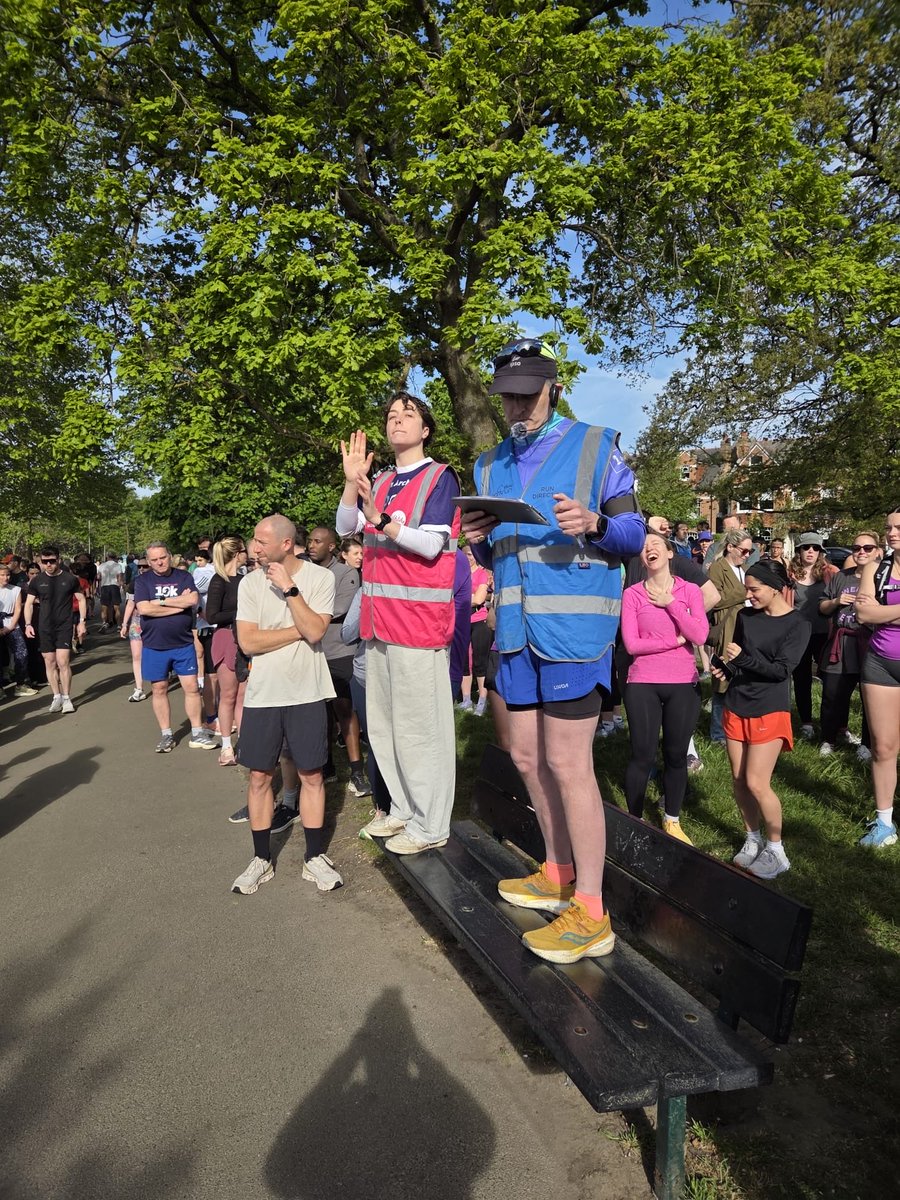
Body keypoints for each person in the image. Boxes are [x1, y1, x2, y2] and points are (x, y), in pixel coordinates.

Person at [461, 338, 644, 964]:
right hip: (514, 632)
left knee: (569, 765)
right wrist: (476, 540)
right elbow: (494, 556)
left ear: (554, 387)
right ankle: (558, 868)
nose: (516, 406)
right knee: (524, 755)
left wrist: (595, 523)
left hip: (574, 634)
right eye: (507, 395)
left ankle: (591, 911)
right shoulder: (487, 466)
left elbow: (633, 535)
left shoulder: (598, 446)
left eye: (527, 393)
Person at [337, 392, 461, 854]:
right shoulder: (383, 477)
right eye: (391, 416)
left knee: (420, 729)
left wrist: (380, 519)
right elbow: (345, 523)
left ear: (426, 429)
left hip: (417, 624)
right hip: (378, 624)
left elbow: (431, 546)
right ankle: (404, 811)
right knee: (385, 728)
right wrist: (353, 484)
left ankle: (431, 825)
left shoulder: (439, 478)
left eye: (407, 415)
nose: (397, 421)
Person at [231, 514, 341, 895]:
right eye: (254, 540)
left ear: (285, 544)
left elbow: (316, 631)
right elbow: (248, 643)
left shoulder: (320, 579)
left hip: (307, 691)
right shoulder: (248, 583)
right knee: (260, 777)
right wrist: (299, 631)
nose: (253, 547)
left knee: (311, 775)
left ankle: (314, 857)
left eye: (261, 541)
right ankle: (261, 858)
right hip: (264, 694)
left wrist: (291, 590)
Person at [716, 562, 811, 879]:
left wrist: (742, 659)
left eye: (755, 589)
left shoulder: (798, 624)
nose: (748, 595)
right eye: (748, 588)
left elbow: (781, 670)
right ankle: (752, 838)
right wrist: (728, 669)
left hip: (769, 708)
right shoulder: (746, 617)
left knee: (757, 782)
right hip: (736, 704)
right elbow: (742, 666)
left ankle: (776, 850)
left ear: (774, 587)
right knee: (739, 779)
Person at [620, 533, 709, 842]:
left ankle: (672, 819)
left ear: (670, 553)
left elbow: (699, 635)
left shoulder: (690, 592)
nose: (649, 549)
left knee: (675, 756)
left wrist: (672, 604)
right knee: (641, 755)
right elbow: (632, 644)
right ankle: (633, 819)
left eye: (656, 544)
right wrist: (674, 641)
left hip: (683, 683)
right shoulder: (632, 594)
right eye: (644, 547)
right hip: (642, 682)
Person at [133, 543, 218, 753]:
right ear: (148, 561)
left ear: (169, 556)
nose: (159, 562)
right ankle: (166, 735)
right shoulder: (143, 581)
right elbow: (144, 609)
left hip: (183, 643)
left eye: (162, 557)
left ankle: (197, 732)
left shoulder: (184, 577)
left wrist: (160, 602)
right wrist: (177, 604)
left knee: (191, 688)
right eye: (154, 560)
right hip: (154, 645)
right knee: (159, 689)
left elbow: (193, 600)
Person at [306, 525, 370, 797]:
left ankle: (357, 771)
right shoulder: (302, 572)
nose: (311, 545)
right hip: (310, 652)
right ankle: (327, 766)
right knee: (318, 714)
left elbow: (341, 609)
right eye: (309, 540)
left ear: (332, 546)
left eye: (318, 541)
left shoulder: (346, 574)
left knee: (346, 711)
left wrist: (303, 615)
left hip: (339, 650)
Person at [854, 510, 900, 847]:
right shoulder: (875, 567)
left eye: (898, 527)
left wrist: (885, 614)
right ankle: (884, 822)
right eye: (888, 527)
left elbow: (876, 612)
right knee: (883, 747)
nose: (891, 533)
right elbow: (864, 613)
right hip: (880, 663)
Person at [817, 533, 881, 760]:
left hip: (871, 644)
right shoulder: (840, 577)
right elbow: (822, 607)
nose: (861, 551)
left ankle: (867, 744)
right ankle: (828, 739)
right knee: (832, 694)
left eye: (867, 547)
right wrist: (835, 602)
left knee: (870, 697)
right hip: (841, 643)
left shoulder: (882, 578)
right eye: (856, 547)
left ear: (877, 551)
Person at [23, 545, 86, 713]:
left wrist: (81, 622)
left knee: (63, 661)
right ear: (41, 562)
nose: (49, 564)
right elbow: (29, 603)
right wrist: (28, 624)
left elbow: (81, 599)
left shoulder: (70, 579)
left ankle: (67, 698)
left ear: (58, 559)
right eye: (45, 562)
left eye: (52, 561)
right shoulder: (37, 580)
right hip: (44, 627)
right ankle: (56, 696)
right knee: (49, 662)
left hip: (64, 625)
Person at [787, 532, 837, 738]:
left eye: (815, 548)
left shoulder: (831, 573)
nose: (811, 551)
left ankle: (835, 723)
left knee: (831, 678)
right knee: (801, 678)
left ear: (821, 552)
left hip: (824, 633)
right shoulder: (788, 574)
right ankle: (806, 722)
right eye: (806, 547)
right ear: (798, 550)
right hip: (798, 635)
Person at [706, 531, 755, 743]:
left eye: (750, 551)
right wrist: (744, 593)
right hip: (728, 630)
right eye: (744, 550)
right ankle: (718, 734)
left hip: (746, 630)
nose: (747, 555)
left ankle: (736, 729)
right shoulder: (717, 568)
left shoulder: (744, 569)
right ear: (730, 547)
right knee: (723, 681)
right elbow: (714, 600)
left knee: (742, 681)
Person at [205, 537, 248, 766]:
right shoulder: (218, 581)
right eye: (244, 550)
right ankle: (226, 746)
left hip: (246, 638)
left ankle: (244, 743)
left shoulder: (246, 580)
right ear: (237, 553)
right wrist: (239, 614)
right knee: (228, 695)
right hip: (226, 638)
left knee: (243, 695)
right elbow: (211, 616)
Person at [457, 543, 491, 715]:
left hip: (479, 620)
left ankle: (482, 701)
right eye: (465, 554)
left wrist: (461, 599)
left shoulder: (482, 574)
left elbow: (478, 600)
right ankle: (466, 699)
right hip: (462, 621)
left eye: (471, 554)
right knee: (464, 661)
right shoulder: (459, 573)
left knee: (480, 661)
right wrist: (468, 597)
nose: (468, 558)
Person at [0, 564, 38, 696]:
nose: (6, 577)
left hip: (12, 624)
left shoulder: (16, 589)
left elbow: (18, 609)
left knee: (22, 653)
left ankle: (21, 683)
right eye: (2, 575)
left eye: (8, 575)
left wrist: (10, 627)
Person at [119, 558, 149, 701]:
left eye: (145, 566)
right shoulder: (135, 583)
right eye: (140, 566)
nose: (142, 569)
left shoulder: (160, 583)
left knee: (156, 653)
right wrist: (124, 624)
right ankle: (139, 688)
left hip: (157, 623)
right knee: (137, 656)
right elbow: (130, 603)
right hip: (137, 622)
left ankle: (162, 681)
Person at [97, 552, 124, 631]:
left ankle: (104, 623)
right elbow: (119, 578)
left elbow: (98, 577)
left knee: (104, 607)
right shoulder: (118, 565)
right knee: (117, 607)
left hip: (104, 586)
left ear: (107, 557)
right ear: (115, 557)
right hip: (114, 586)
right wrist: (120, 586)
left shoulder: (102, 565)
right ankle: (119, 625)